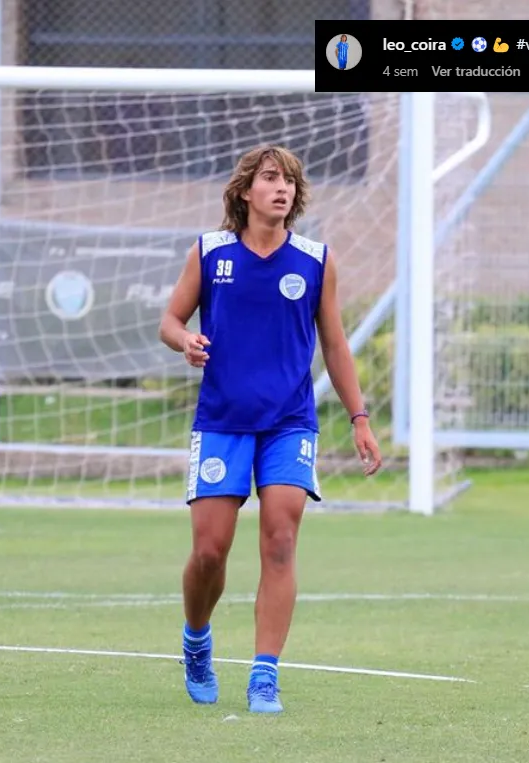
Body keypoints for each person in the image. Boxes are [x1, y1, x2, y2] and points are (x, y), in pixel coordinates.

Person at [158, 144, 382, 714]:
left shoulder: (315, 260)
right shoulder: (210, 252)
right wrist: (185, 341)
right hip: (222, 421)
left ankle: (265, 675)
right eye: (270, 178)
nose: (282, 188)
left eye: (290, 181)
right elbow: (170, 320)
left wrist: (359, 418)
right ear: (245, 191)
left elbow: (335, 344)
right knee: (210, 551)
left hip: (289, 423)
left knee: (280, 540)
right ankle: (196, 639)